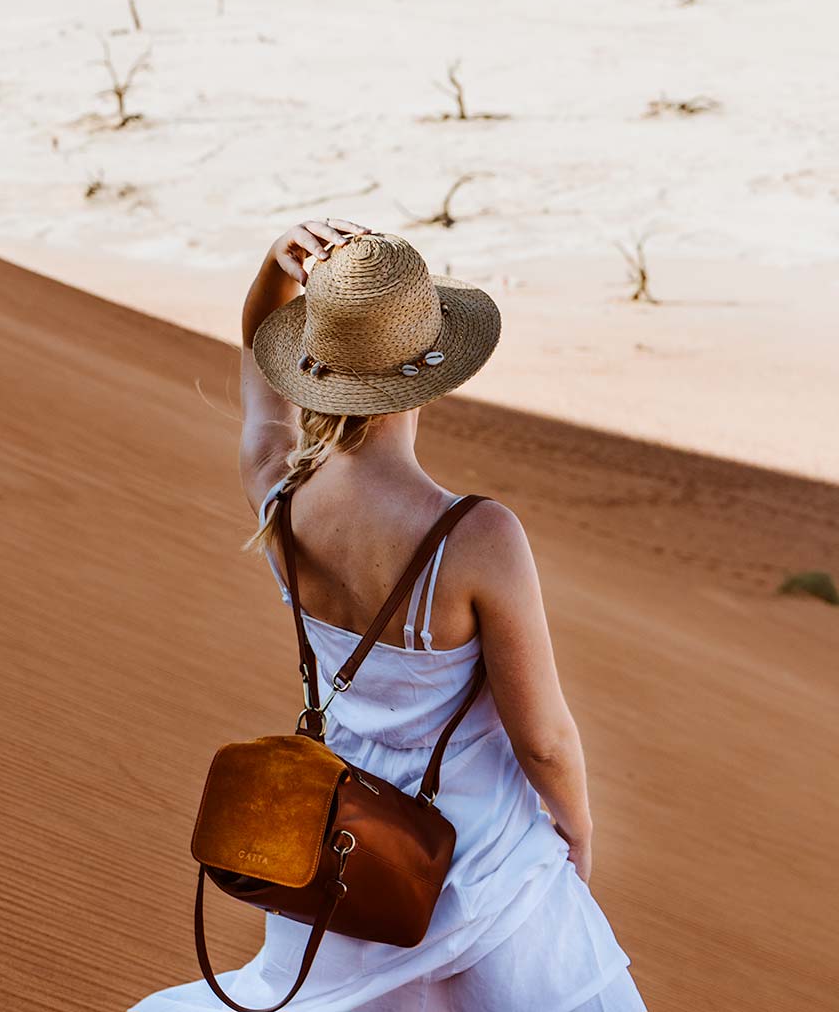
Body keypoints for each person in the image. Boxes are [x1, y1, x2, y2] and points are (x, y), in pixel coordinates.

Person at [129, 220, 648, 1012]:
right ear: (434, 370)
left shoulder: (279, 493)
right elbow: (542, 738)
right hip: (487, 875)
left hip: (343, 852)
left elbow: (257, 387)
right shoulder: (478, 536)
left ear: (313, 363)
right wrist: (576, 834)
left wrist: (274, 272)